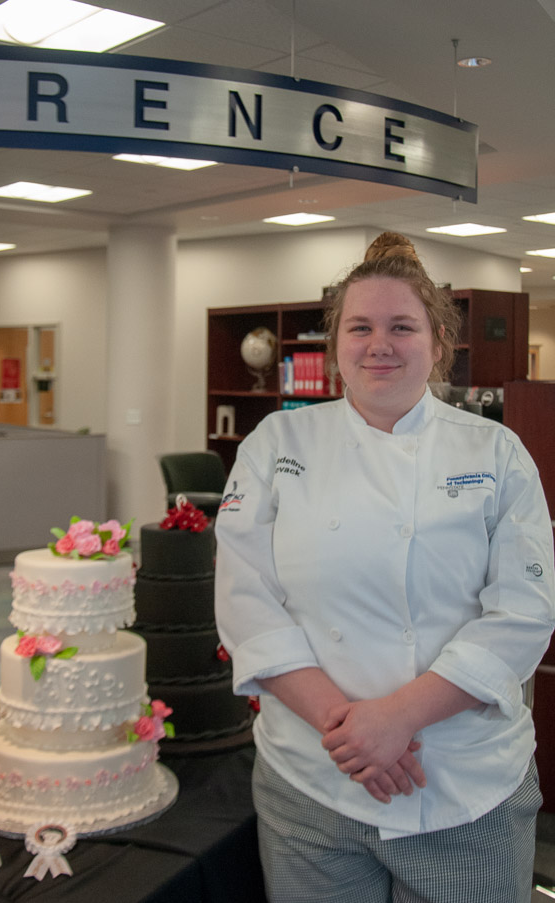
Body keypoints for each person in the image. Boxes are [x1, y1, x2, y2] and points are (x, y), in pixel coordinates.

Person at [214, 231, 555, 903]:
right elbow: (245, 599)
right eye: (360, 327)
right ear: (335, 342)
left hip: (462, 785)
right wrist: (351, 731)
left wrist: (397, 719)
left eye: (402, 326)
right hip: (313, 779)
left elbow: (523, 612)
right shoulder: (276, 442)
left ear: (439, 341)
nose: (380, 344)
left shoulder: (496, 451)